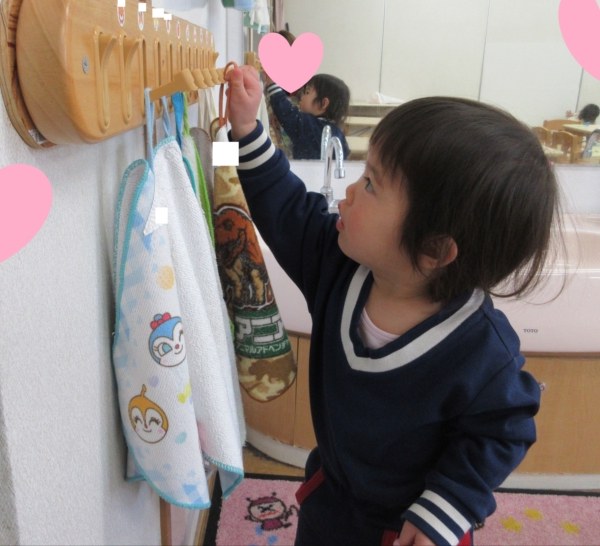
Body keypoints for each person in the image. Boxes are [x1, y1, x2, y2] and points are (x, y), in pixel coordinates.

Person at [227, 65, 563, 546]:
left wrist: (448, 507)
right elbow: (287, 209)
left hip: (412, 528)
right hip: (332, 503)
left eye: (371, 184)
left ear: (433, 250)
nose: (348, 192)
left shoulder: (482, 351)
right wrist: (246, 129)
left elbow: (503, 431)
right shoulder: (337, 263)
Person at [266, 73, 351, 160]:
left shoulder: (308, 125)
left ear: (323, 104)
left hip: (305, 168)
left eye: (307, 92)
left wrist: (272, 84)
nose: (302, 97)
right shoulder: (338, 133)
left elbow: (285, 111)